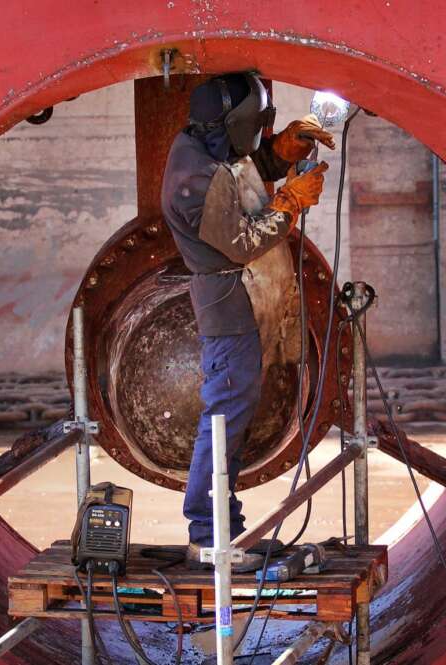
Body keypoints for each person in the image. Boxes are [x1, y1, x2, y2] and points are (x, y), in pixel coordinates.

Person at [160, 72, 334, 571]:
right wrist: (291, 201)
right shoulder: (195, 181)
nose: (257, 133)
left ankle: (224, 528)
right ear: (232, 123)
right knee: (225, 416)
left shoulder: (200, 148)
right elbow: (243, 241)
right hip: (228, 304)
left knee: (231, 410)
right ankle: (207, 533)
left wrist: (280, 153)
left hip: (238, 297)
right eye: (256, 126)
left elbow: (237, 174)